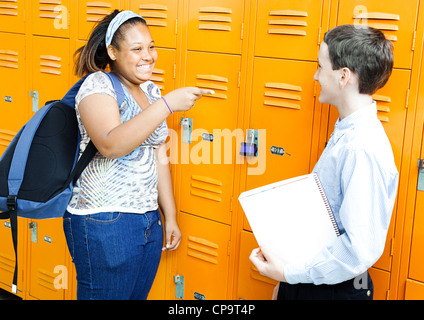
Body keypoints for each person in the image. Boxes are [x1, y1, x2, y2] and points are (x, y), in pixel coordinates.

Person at [63, 10, 213, 300]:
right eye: (137, 49)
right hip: (104, 221)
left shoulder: (150, 91)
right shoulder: (98, 85)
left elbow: (159, 155)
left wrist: (169, 216)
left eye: (151, 47)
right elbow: (111, 144)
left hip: (146, 220)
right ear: (113, 52)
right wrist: (169, 104)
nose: (149, 56)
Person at [250, 24, 399, 300]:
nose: (316, 76)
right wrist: (287, 282)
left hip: (335, 290)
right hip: (313, 280)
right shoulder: (347, 129)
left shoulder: (360, 148)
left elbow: (357, 249)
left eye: (321, 66)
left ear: (344, 76)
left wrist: (289, 274)